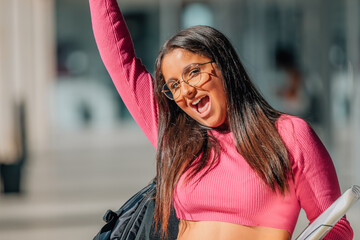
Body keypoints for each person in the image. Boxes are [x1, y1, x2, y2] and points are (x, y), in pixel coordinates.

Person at [89, 0, 354, 239]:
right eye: (174, 85)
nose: (186, 91)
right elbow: (120, 61)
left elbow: (335, 226)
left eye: (193, 72)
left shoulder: (290, 136)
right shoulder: (177, 136)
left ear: (224, 66)